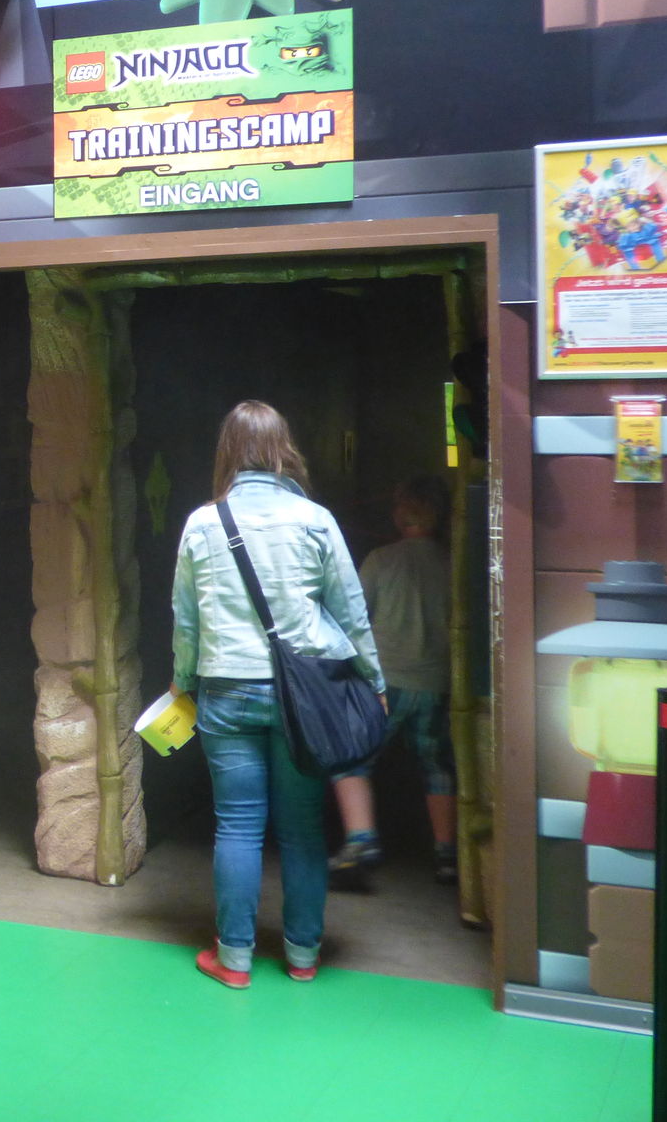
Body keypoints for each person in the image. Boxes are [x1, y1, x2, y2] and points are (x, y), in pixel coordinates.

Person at [168, 400, 384, 989]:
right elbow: (350, 610)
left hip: (226, 688)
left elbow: (186, 619)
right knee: (302, 828)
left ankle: (234, 959)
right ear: (282, 449)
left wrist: (182, 681)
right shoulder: (315, 518)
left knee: (237, 826)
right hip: (305, 698)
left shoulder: (203, 523)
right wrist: (374, 680)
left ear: (228, 453)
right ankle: (303, 954)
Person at [329, 477, 457, 885]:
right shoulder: (452, 564)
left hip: (386, 682)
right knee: (436, 765)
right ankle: (447, 853)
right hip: (435, 681)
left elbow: (352, 615)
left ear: (400, 515)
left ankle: (361, 841)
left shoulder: (381, 560)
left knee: (352, 757)